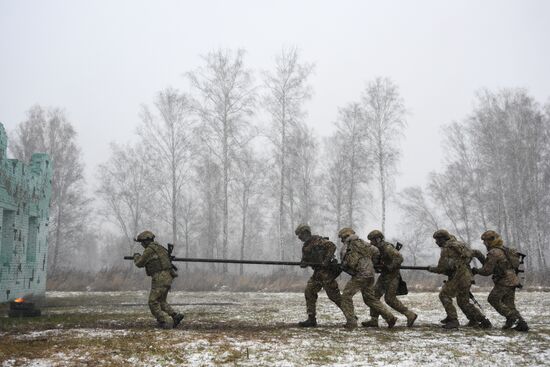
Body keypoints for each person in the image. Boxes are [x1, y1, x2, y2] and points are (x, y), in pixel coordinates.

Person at [428, 229, 491, 329]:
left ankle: (453, 320)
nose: (436, 242)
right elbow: (476, 252)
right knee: (463, 302)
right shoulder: (458, 244)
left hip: (459, 277)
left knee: (444, 295)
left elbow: (441, 268)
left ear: (443, 239)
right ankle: (481, 320)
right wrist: (485, 264)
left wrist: (431, 269)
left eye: (437, 240)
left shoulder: (447, 249)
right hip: (466, 276)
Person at [338, 227, 397, 329]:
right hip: (370, 275)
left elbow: (345, 262)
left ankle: (351, 322)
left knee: (346, 296)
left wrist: (349, 268)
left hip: (360, 275)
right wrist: (371, 263)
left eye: (342, 238)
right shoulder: (364, 243)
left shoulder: (348, 246)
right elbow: (376, 251)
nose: (341, 241)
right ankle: (389, 317)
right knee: (370, 299)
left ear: (345, 236)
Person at [472, 230, 529, 332]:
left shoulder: (494, 252)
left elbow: (487, 271)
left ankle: (513, 318)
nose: (484, 243)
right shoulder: (504, 249)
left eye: (485, 241)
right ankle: (520, 323)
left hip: (504, 281)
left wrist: (476, 271)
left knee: (493, 299)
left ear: (491, 240)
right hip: (513, 280)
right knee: (509, 304)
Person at [362, 230, 417, 328]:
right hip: (384, 276)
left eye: (372, 240)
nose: (371, 243)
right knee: (374, 296)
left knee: (390, 299)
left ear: (378, 239)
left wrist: (389, 267)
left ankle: (410, 315)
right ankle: (374, 320)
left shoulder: (387, 248)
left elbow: (399, 258)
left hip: (392, 276)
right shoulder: (378, 248)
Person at [295, 224, 345, 327]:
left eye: (300, 235)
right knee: (309, 291)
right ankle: (311, 318)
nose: (299, 237)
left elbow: (332, 246)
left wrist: (326, 261)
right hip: (317, 273)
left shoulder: (318, 240)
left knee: (334, 297)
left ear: (306, 233)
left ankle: (351, 316)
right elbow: (305, 260)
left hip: (327, 273)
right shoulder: (305, 247)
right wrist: (303, 263)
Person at [133, 230, 184, 329]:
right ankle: (175, 316)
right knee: (161, 301)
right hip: (168, 277)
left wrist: (136, 256)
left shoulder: (150, 249)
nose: (142, 245)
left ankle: (165, 320)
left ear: (146, 241)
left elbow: (139, 263)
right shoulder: (160, 247)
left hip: (160, 278)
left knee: (152, 302)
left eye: (142, 242)